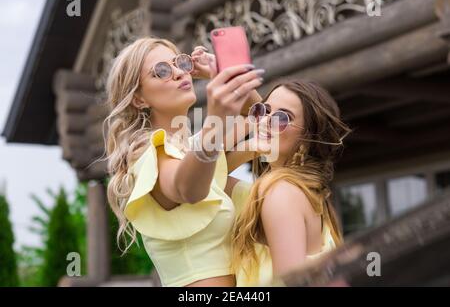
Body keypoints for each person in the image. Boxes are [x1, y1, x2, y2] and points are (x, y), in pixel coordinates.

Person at [104, 37, 264, 286]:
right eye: (162, 71)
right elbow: (187, 189)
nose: (179, 73)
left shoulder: (193, 148)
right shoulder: (146, 155)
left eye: (180, 63)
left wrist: (219, 73)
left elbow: (263, 120)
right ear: (139, 99)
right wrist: (216, 121)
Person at [229, 80, 352, 286]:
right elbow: (206, 180)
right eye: (264, 111)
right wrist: (252, 146)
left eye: (282, 117)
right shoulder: (304, 193)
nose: (265, 120)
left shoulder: (281, 194)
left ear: (306, 138)